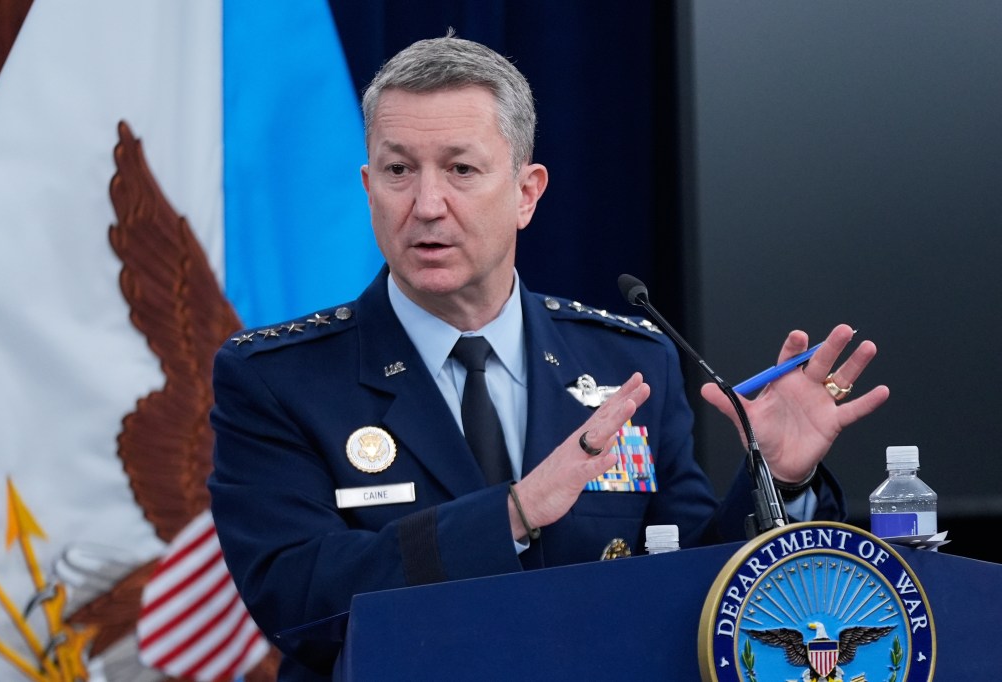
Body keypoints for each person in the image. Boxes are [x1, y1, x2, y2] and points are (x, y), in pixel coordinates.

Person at [208, 33, 889, 680]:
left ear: (526, 193)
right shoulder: (278, 379)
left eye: (461, 169)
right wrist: (512, 514)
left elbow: (693, 584)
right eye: (398, 170)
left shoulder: (629, 361)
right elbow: (297, 600)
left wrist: (775, 478)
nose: (426, 204)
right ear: (367, 187)